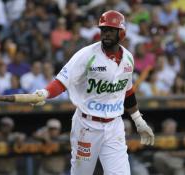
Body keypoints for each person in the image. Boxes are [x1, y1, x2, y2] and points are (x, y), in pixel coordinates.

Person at [33, 10, 154, 175]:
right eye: (103, 30)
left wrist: (138, 121)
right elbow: (62, 81)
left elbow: (127, 91)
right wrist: (45, 93)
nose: (106, 34)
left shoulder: (128, 58)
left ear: (122, 32)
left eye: (111, 30)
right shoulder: (86, 55)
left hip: (114, 126)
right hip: (87, 126)